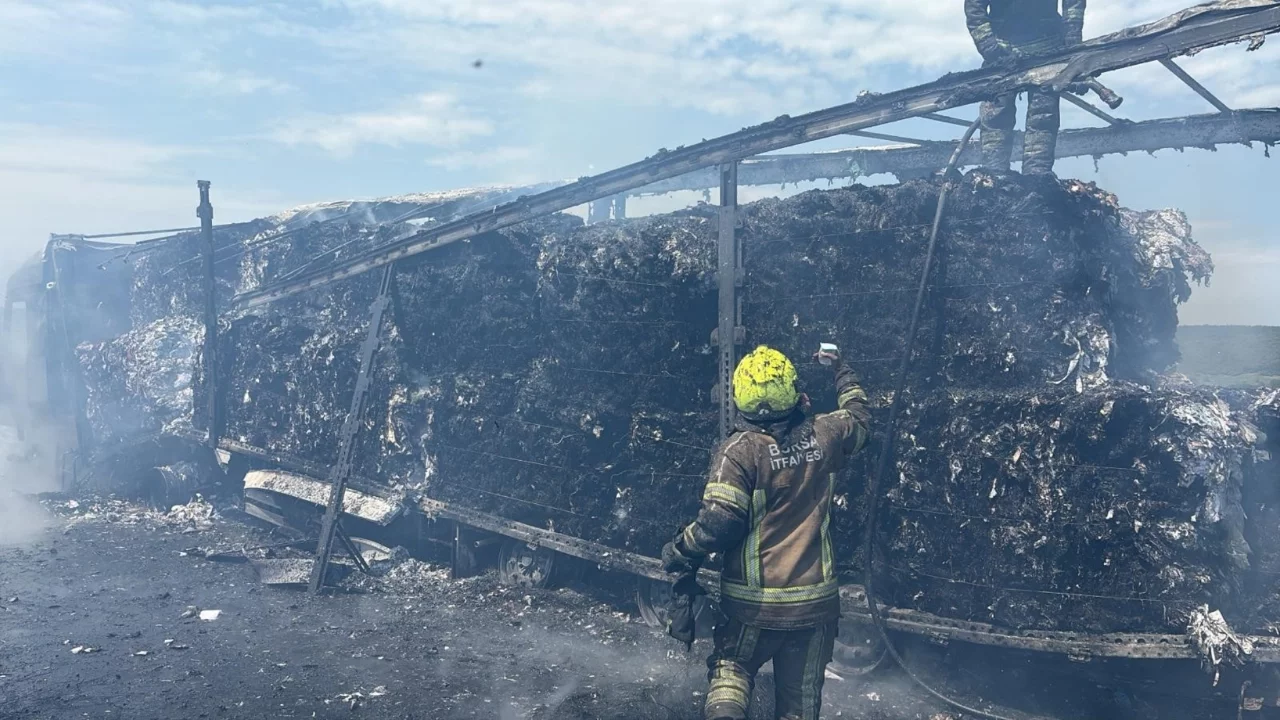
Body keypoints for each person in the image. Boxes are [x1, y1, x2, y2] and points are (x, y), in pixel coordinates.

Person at [662, 344, 871, 720]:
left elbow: (720, 522)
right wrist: (841, 368)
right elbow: (859, 417)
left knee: (733, 667)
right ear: (793, 394)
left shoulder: (739, 452)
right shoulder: (826, 434)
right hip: (815, 607)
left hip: (754, 607)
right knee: (801, 697)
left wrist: (681, 549)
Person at [966, 0, 1087, 175]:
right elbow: (974, 6)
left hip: (1047, 46)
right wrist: (989, 46)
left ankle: (1036, 176)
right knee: (997, 113)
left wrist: (1073, 39)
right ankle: (994, 176)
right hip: (1003, 50)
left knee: (1043, 115)